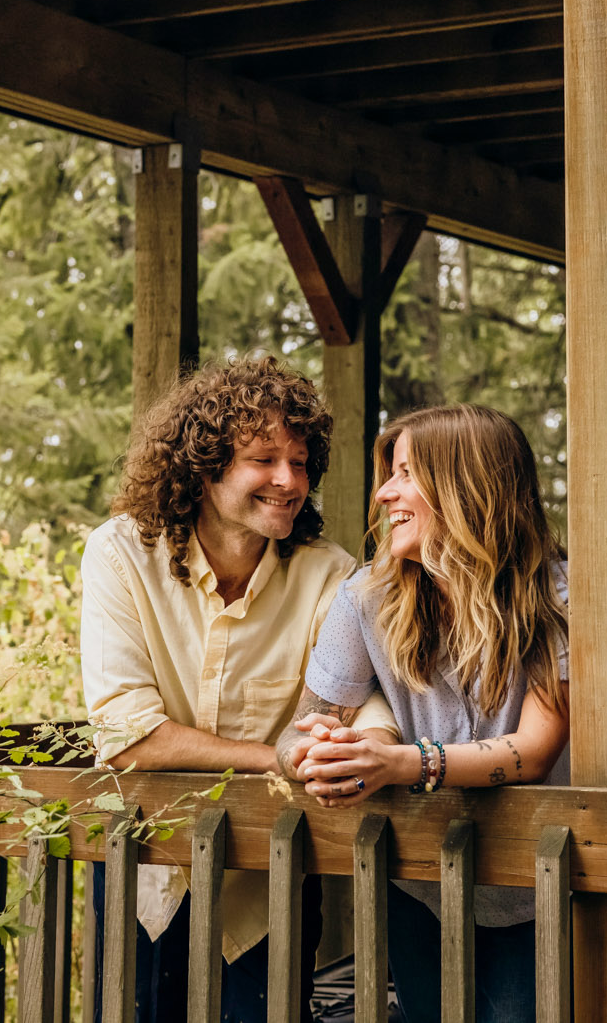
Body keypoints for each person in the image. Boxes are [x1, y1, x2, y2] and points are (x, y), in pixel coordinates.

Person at [80, 355, 390, 1023]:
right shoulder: (120, 553)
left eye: (302, 462)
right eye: (264, 459)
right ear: (204, 463)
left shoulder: (329, 574)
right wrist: (277, 756)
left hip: (269, 878)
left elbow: (366, 701)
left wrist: (365, 749)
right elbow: (125, 733)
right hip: (146, 873)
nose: (289, 480)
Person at [275, 404, 571, 1023]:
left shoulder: (559, 591)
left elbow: (537, 748)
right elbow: (298, 731)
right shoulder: (366, 595)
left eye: (405, 474)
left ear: (467, 486)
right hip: (418, 879)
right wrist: (317, 751)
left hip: (536, 881)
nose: (384, 493)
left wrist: (401, 762)